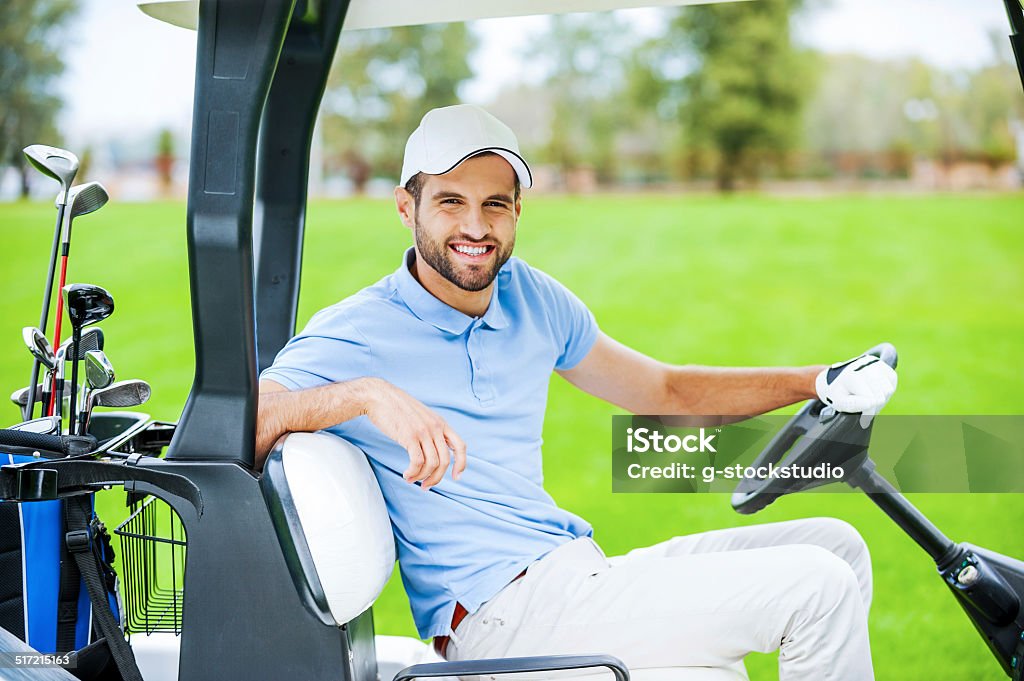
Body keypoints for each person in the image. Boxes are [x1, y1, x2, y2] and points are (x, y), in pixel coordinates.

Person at [256, 104, 897, 680]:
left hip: (573, 574)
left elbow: (664, 389)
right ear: (407, 208)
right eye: (450, 202)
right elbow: (239, 422)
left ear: (516, 211)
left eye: (495, 205)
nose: (475, 227)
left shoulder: (530, 297)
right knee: (817, 587)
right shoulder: (360, 331)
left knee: (835, 544)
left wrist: (815, 380)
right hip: (498, 618)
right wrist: (365, 394)